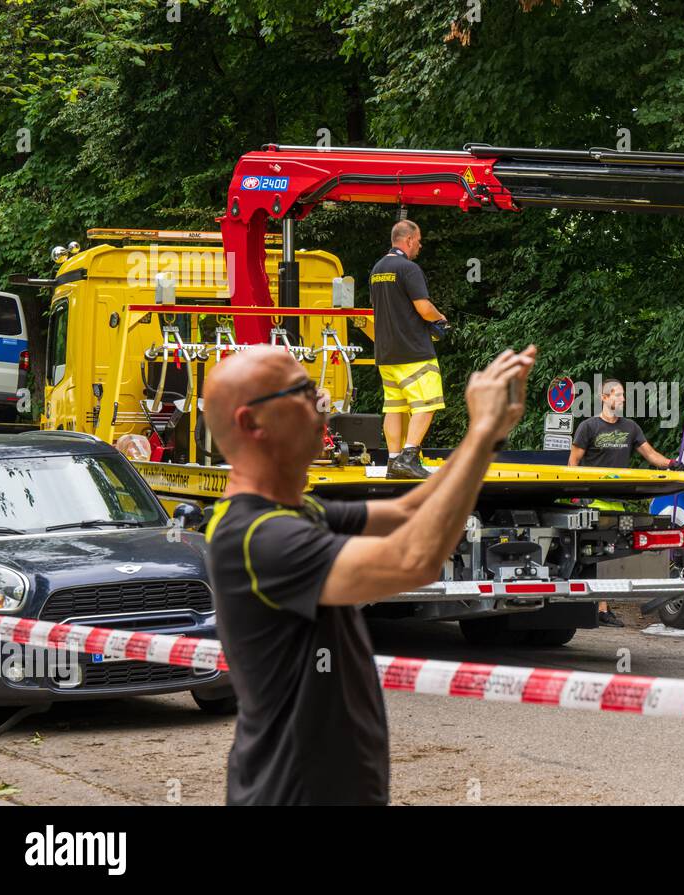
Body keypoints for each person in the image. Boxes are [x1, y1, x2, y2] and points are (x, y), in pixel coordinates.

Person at [202, 343, 536, 805]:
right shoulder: (258, 536)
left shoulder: (294, 512)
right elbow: (413, 559)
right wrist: (478, 433)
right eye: (303, 392)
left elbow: (409, 510)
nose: (323, 404)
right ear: (251, 422)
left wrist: (489, 436)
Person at [567, 378, 681, 627]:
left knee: (611, 555)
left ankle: (600, 607)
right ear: (604, 398)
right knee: (592, 555)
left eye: (623, 395)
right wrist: (575, 493)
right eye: (618, 395)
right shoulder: (588, 427)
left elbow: (650, 455)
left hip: (618, 504)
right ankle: (597, 607)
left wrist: (671, 464)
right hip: (593, 502)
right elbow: (573, 462)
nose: (623, 399)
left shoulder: (630, 427)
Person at [370, 219, 451, 479]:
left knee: (394, 407)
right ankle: (408, 458)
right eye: (418, 240)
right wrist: (441, 319)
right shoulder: (409, 268)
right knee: (427, 403)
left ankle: (393, 461)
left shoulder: (377, 269)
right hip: (413, 351)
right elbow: (423, 308)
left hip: (386, 352)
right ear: (408, 240)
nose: (420, 245)